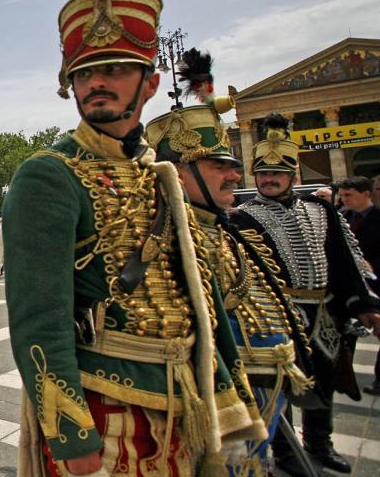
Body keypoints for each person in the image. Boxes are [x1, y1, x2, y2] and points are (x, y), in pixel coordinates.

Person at [5, 0, 264, 476]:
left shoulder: (160, 171)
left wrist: (229, 399)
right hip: (105, 400)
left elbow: (201, 299)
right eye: (84, 72)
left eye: (117, 68)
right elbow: (39, 320)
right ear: (68, 84)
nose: (97, 81)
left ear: (149, 84)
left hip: (186, 401)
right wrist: (72, 440)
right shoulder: (48, 174)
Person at [146, 50, 311, 474]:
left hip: (258, 401)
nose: (236, 177)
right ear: (178, 173)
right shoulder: (157, 243)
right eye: (220, 166)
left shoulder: (230, 229)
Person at [230, 114, 380, 474]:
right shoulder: (241, 217)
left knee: (324, 381)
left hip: (325, 312)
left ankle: (320, 442)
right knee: (279, 385)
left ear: (291, 177)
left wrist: (363, 305)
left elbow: (343, 260)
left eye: (276, 175)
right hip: (275, 314)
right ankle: (285, 451)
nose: (268, 180)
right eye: (263, 174)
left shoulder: (321, 210)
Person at [335, 175, 380, 396]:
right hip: (350, 291)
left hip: (377, 285)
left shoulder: (377, 219)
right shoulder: (341, 218)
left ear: (366, 194)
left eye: (349, 195)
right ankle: (344, 374)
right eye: (342, 195)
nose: (344, 200)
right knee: (347, 334)